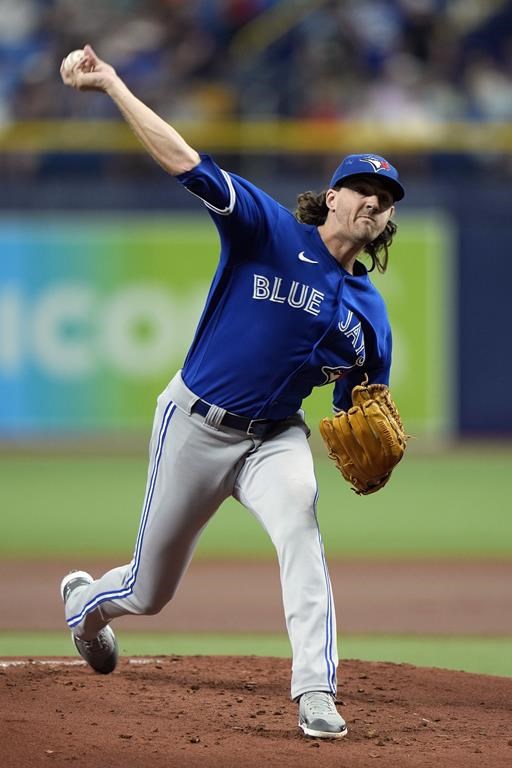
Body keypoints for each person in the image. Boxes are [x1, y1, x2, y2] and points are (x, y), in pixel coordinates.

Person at [59, 44, 405, 741]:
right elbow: (185, 159)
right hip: (194, 425)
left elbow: (358, 408)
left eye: (388, 198)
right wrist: (115, 83)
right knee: (148, 593)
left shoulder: (370, 315)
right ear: (331, 196)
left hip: (275, 438)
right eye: (364, 187)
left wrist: (374, 450)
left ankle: (316, 690)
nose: (375, 201)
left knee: (301, 525)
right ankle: (86, 605)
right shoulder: (267, 230)